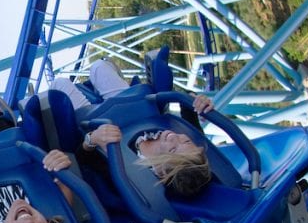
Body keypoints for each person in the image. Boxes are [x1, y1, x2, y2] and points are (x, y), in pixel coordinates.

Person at [51, 58, 214, 197]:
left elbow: (83, 162)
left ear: (159, 170)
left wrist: (92, 139)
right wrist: (196, 101)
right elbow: (189, 110)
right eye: (184, 140)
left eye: (171, 150)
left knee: (61, 83)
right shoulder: (191, 145)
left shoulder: (125, 170)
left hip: (92, 119)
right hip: (129, 107)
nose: (173, 136)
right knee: (99, 66)